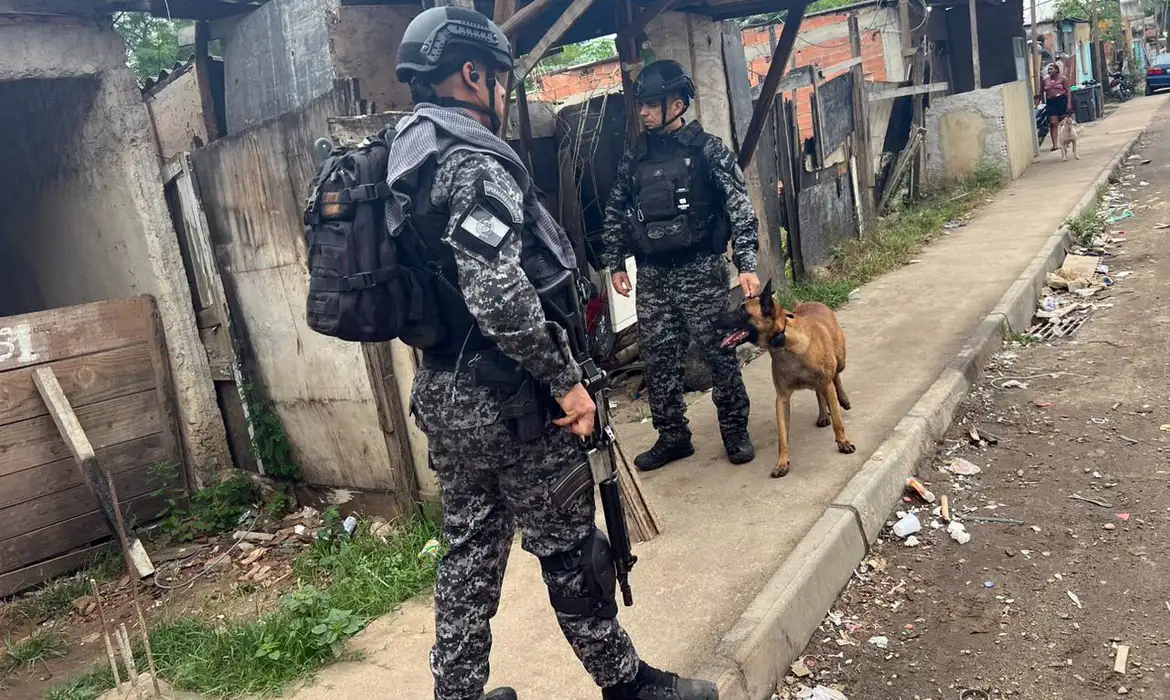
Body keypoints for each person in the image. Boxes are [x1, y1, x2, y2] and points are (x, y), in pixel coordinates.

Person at [388, 8, 718, 700]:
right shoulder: (471, 158)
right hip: (511, 399)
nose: (506, 93)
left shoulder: (405, 154)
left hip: (446, 391)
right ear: (473, 74)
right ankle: (630, 688)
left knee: (470, 553)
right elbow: (497, 291)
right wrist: (566, 383)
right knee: (570, 551)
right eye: (502, 78)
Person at [601, 59, 759, 472]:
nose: (644, 112)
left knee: (718, 352)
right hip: (653, 274)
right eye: (642, 105)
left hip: (701, 270)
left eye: (652, 104)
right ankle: (672, 436)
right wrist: (615, 262)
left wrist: (746, 262)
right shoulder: (636, 156)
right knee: (658, 357)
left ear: (678, 103)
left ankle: (734, 429)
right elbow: (616, 209)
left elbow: (740, 208)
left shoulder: (707, 150)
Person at [1043, 63, 1073, 152]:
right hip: (1051, 102)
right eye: (1048, 69)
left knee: (1064, 123)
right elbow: (1041, 92)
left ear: (1057, 70)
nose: (1049, 71)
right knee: (1053, 123)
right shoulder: (1045, 80)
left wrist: (1069, 104)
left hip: (1061, 100)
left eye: (1051, 69)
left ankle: (1066, 141)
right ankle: (1055, 144)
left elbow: (1068, 92)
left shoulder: (1063, 79)